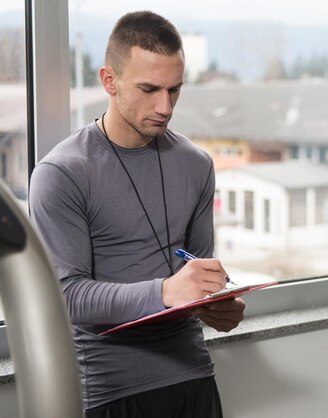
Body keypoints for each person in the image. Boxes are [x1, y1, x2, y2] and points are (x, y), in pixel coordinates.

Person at [29, 10, 245, 418]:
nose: (165, 107)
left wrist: (218, 305)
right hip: (112, 390)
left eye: (174, 90)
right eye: (149, 89)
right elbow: (66, 296)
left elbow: (196, 273)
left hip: (193, 376)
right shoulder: (62, 173)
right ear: (108, 80)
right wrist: (166, 292)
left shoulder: (196, 164)